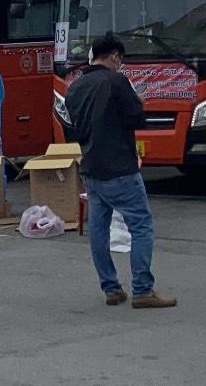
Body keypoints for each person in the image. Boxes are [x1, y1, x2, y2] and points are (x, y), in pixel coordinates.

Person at [63, 33, 173, 309]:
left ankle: (111, 288)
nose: (120, 64)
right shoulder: (116, 81)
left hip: (91, 167)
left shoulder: (75, 88)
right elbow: (135, 118)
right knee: (141, 225)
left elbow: (73, 128)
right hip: (120, 167)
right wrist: (138, 100)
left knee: (98, 230)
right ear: (114, 56)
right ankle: (143, 289)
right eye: (120, 60)